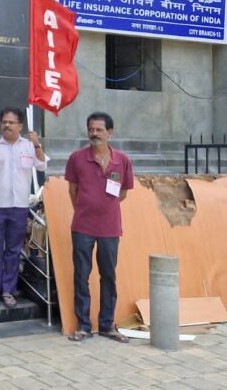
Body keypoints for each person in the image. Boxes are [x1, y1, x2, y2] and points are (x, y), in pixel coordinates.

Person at [65, 111, 134, 343]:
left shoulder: (122, 161)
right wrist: (85, 209)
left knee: (109, 276)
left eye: (99, 130)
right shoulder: (77, 158)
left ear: (109, 132)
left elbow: (123, 193)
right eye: (91, 129)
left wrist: (104, 208)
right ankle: (83, 326)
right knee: (81, 276)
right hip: (82, 226)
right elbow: (72, 190)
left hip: (110, 228)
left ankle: (106, 325)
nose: (94, 134)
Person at [0, 107, 47, 308]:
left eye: (11, 122)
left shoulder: (28, 146)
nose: (7, 125)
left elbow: (42, 166)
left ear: (20, 126)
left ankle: (8, 290)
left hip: (19, 206)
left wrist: (37, 144)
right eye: (4, 122)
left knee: (13, 249)